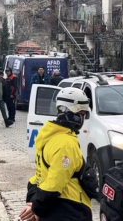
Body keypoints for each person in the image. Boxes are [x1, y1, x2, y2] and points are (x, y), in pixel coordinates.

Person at [20, 88, 92, 221]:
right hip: (69, 209)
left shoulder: (49, 135)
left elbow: (40, 174)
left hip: (52, 208)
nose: (83, 117)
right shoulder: (65, 143)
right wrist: (37, 208)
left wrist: (34, 202)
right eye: (82, 113)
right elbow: (55, 183)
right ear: (75, 113)